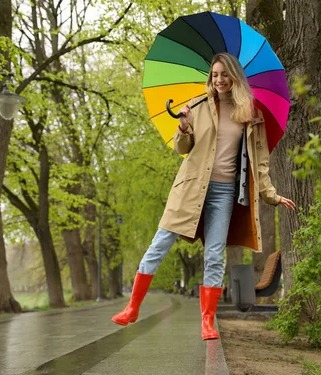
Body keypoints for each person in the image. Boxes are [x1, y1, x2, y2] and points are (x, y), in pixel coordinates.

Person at [112, 53, 296, 340]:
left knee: (213, 255)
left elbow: (260, 162)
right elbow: (182, 147)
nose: (219, 80)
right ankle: (132, 308)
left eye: (224, 74)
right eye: (214, 75)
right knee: (159, 244)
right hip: (189, 188)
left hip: (223, 194)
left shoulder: (251, 114)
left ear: (234, 77)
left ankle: (207, 322)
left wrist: (271, 195)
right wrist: (183, 125)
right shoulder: (197, 106)